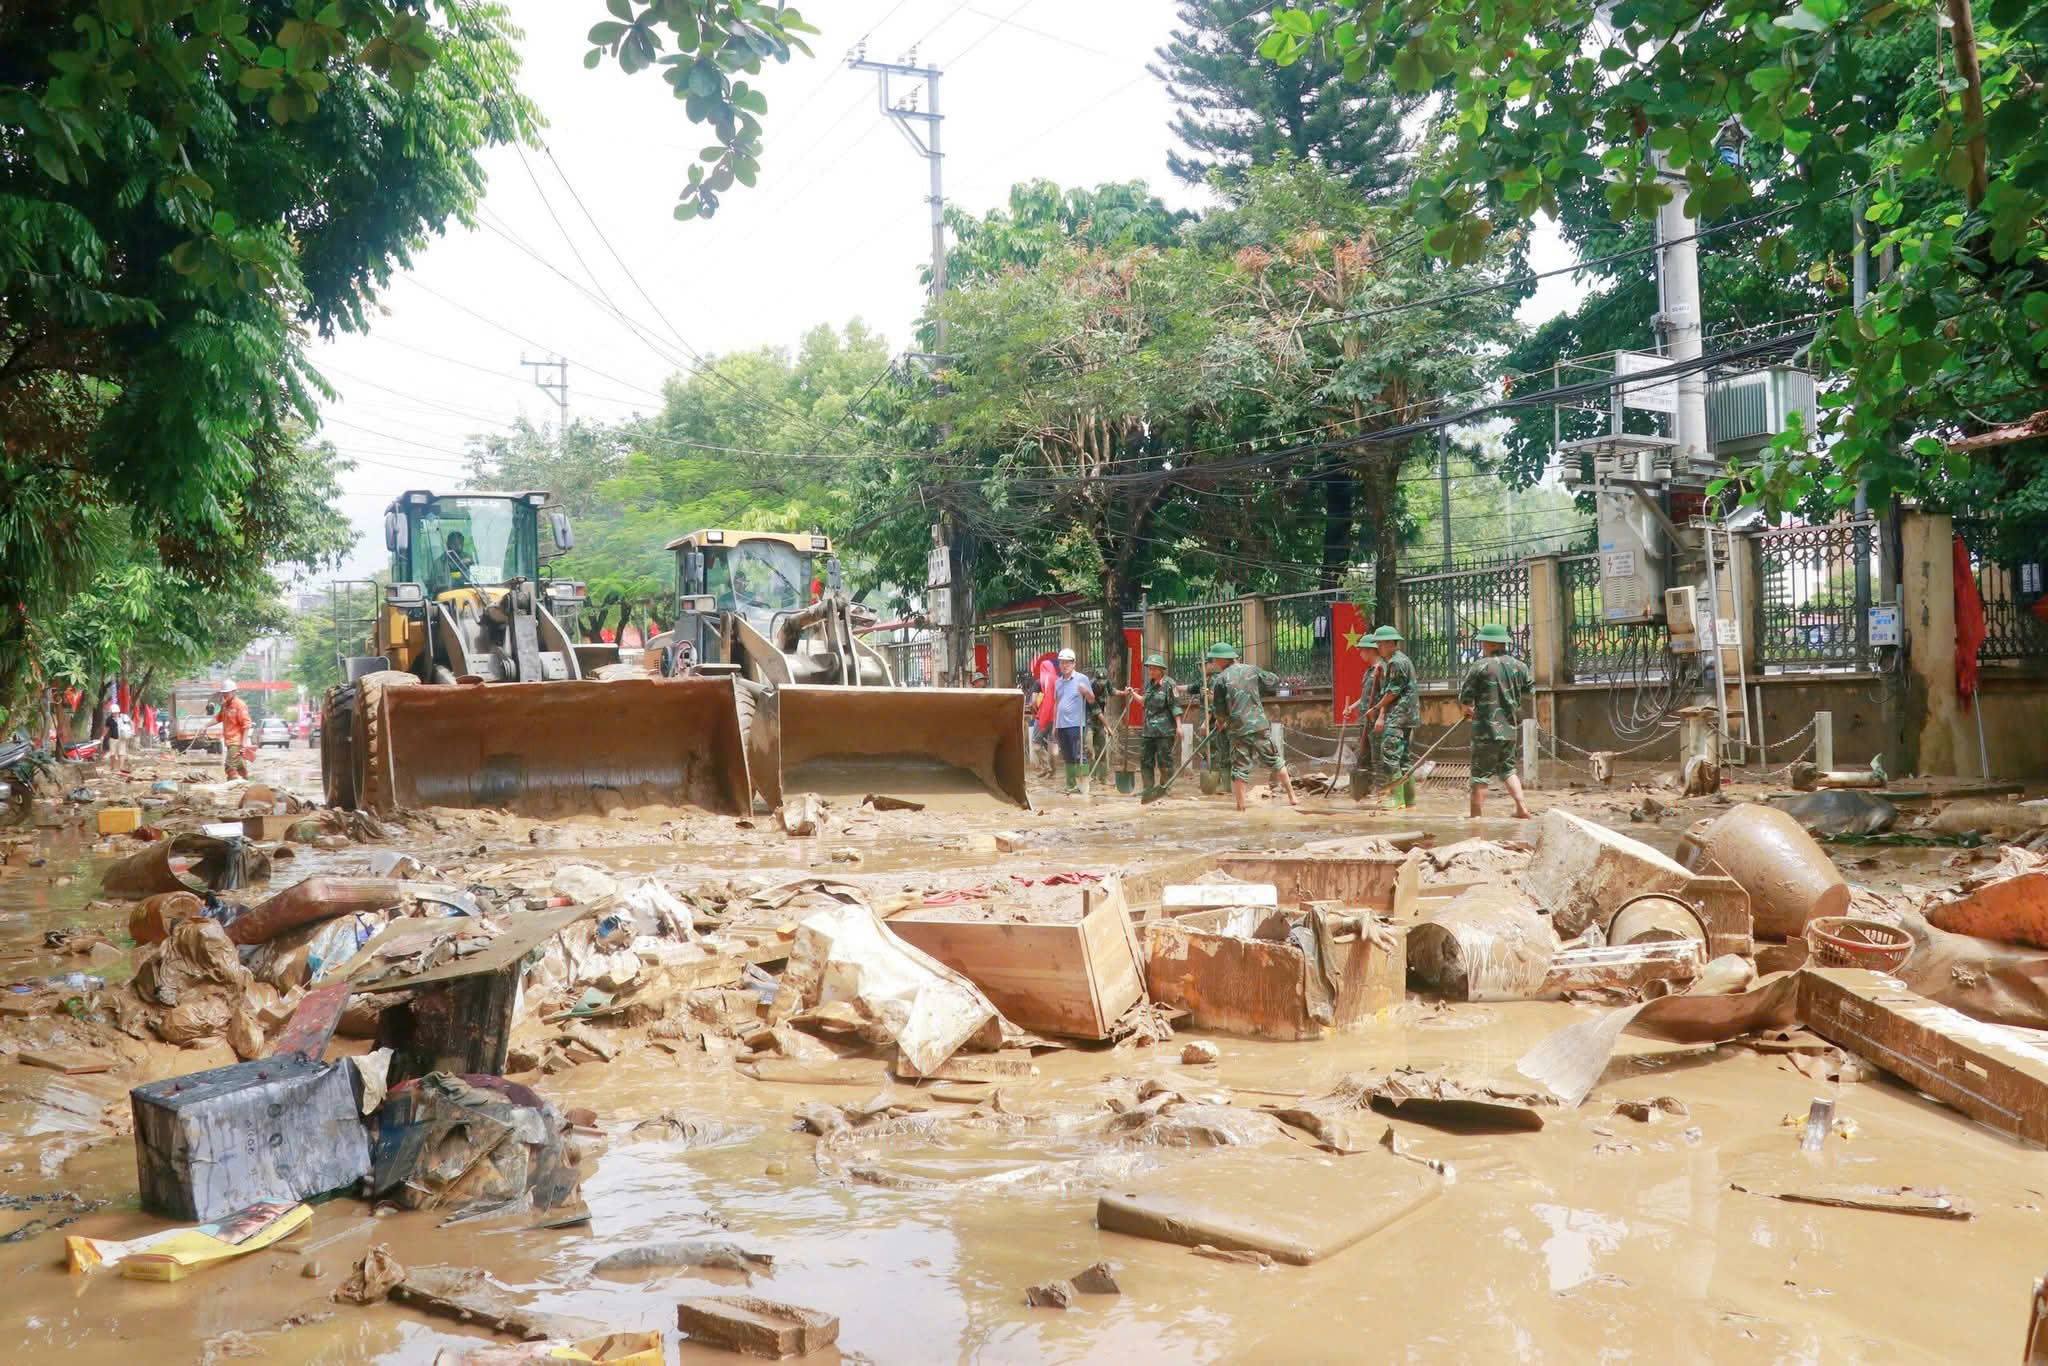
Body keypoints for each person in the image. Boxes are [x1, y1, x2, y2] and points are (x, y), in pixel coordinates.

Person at [1203, 642, 1297, 812]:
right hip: (1259, 725)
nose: (1214, 663)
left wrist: (1220, 721)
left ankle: (1241, 807)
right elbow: (1273, 680)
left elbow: (1219, 709)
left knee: (1240, 768)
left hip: (1238, 729)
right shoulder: (1252, 670)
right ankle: (1292, 798)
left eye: (1215, 660)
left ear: (1221, 659)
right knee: (1275, 760)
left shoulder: (1220, 680)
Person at [1459, 622, 1535, 819]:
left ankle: (1475, 818)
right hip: (1509, 729)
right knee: (1508, 770)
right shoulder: (1520, 666)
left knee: (1479, 775)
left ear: (1492, 644)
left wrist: (1468, 708)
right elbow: (1529, 691)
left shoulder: (1480, 666)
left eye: (1483, 642)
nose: (1481, 645)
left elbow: (1466, 698)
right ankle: (1521, 807)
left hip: (1486, 731)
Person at [1118, 653, 1185, 795]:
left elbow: (1175, 706)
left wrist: (1179, 726)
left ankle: (1165, 788)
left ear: (1161, 670)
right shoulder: (1150, 684)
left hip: (1164, 731)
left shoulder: (1169, 684)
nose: (1151, 671)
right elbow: (1144, 701)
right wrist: (1132, 694)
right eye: (1150, 669)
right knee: (1145, 760)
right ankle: (1148, 788)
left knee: (1164, 760)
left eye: (1154, 669)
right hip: (1148, 730)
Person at [1367, 625, 1419, 808]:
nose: (1378, 648)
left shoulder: (1396, 662)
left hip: (1397, 716)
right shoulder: (1401, 660)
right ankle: (1409, 800)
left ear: (1390, 644)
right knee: (1404, 758)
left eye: (1380, 644)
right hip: (1407, 717)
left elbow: (1392, 692)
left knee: (1390, 756)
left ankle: (1396, 800)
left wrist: (1376, 708)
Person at [1050, 647, 1094, 794]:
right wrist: (1055, 725)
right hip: (1062, 724)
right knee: (1067, 754)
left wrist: (1085, 692)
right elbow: (1057, 703)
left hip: (1076, 723)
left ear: (1074, 664)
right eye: (1062, 663)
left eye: (1068, 662)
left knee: (1079, 754)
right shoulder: (1058, 682)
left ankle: (1084, 784)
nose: (1065, 665)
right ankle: (1070, 784)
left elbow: (1092, 700)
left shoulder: (1082, 679)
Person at [201, 679, 253, 780]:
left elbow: (246, 725)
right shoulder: (225, 706)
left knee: (229, 767)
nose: (224, 695)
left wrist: (244, 744)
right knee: (240, 766)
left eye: (227, 693)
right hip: (229, 742)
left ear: (233, 692)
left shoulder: (240, 705)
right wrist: (205, 726)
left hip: (237, 742)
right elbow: (218, 718)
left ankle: (232, 788)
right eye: (223, 693)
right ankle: (247, 785)